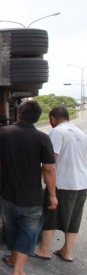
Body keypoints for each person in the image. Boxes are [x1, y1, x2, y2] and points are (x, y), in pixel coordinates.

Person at [0, 100, 57, 275]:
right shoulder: (42, 138)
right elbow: (48, 169)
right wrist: (53, 195)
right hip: (31, 197)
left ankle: (12, 259)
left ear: (18, 114)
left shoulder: (3, 132)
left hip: (8, 193)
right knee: (28, 234)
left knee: (12, 229)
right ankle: (19, 272)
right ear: (37, 118)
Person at [34, 106, 87, 262]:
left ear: (52, 119)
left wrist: (42, 181)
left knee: (51, 214)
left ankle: (44, 250)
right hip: (81, 183)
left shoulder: (57, 132)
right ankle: (67, 252)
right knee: (74, 218)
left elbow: (51, 161)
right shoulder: (81, 133)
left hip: (63, 183)